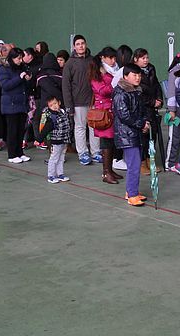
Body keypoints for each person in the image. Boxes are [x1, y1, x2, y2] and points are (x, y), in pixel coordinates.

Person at [113, 64, 149, 207]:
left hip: (135, 133)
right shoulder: (121, 94)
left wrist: (145, 122)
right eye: (134, 75)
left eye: (139, 75)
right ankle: (132, 195)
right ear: (125, 77)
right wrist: (141, 124)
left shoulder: (136, 92)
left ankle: (132, 191)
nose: (138, 78)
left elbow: (141, 111)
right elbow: (124, 116)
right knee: (134, 165)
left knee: (136, 163)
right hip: (126, 134)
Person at [62, 35, 101, 165]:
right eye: (78, 44)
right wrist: (69, 105)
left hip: (93, 100)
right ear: (74, 47)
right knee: (80, 127)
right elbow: (66, 86)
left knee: (94, 126)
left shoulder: (92, 60)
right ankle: (83, 153)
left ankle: (96, 152)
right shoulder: (69, 63)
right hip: (77, 102)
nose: (81, 46)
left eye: (82, 43)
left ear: (86, 44)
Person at [89, 50, 122, 184]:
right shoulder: (97, 73)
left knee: (112, 141)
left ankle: (110, 170)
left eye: (114, 58)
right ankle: (106, 172)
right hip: (104, 113)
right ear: (103, 58)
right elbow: (102, 90)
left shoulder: (114, 71)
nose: (113, 61)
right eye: (110, 58)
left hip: (113, 110)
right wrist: (116, 83)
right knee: (106, 142)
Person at [0, 47, 32, 164]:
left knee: (20, 130)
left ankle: (20, 153)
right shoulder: (4, 69)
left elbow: (25, 86)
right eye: (18, 58)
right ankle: (12, 154)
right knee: (12, 130)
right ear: (12, 58)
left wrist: (27, 78)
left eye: (21, 58)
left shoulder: (22, 68)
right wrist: (19, 78)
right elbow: (5, 85)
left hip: (22, 103)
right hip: (10, 105)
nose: (20, 60)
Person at [37, 96, 72, 183]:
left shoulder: (63, 112)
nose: (54, 106)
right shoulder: (52, 117)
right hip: (56, 141)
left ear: (59, 103)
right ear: (49, 107)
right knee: (54, 158)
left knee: (61, 158)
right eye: (51, 105)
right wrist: (39, 139)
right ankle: (51, 175)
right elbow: (46, 129)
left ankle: (60, 174)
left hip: (64, 140)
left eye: (55, 103)